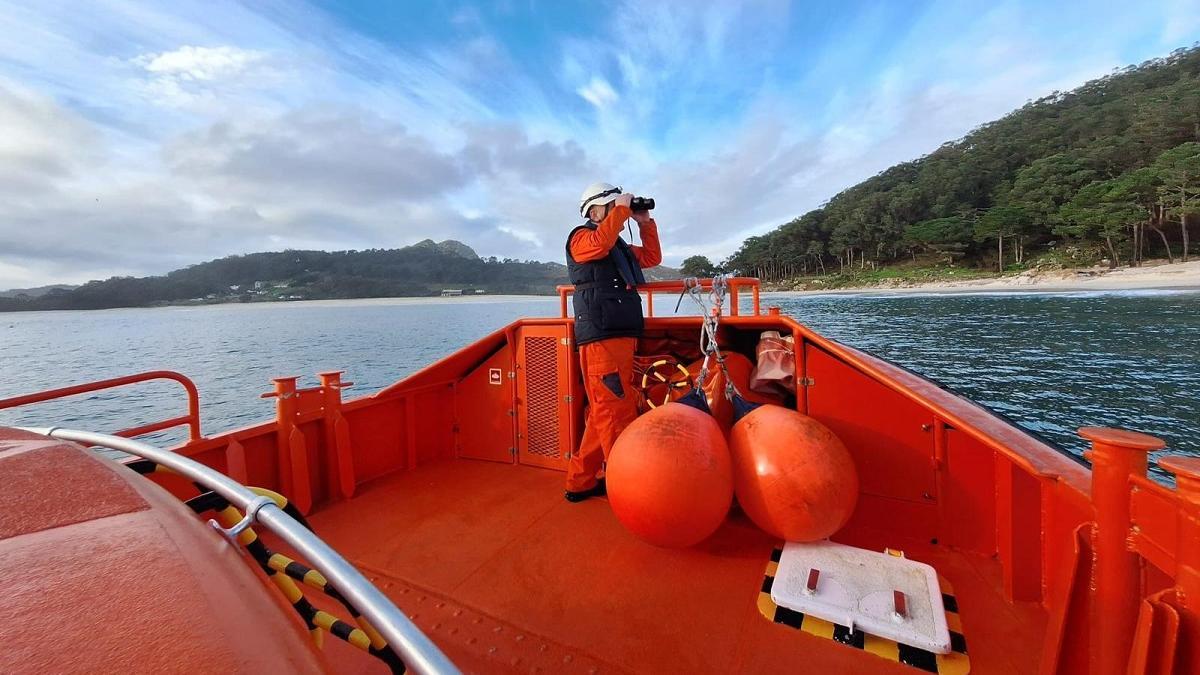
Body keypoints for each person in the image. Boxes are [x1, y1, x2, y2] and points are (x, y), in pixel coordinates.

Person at [563, 181, 662, 502]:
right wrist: (621, 209)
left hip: (621, 332)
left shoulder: (617, 245)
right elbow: (598, 244)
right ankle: (628, 486)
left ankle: (581, 480)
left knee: (605, 410)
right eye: (613, 204)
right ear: (594, 210)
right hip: (602, 335)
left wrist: (644, 223)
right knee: (615, 411)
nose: (623, 206)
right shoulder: (581, 238)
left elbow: (650, 257)